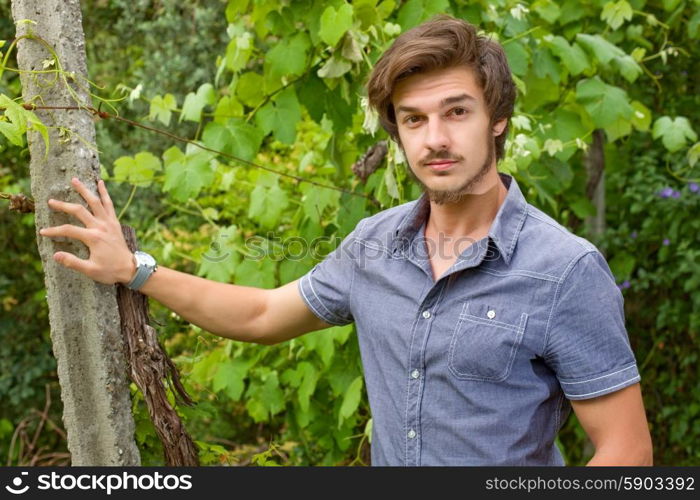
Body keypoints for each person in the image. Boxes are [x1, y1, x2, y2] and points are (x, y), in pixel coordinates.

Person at [39, 15, 652, 466]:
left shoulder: (565, 269)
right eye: (414, 119)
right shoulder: (373, 246)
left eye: (456, 112)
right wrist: (135, 269)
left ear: (497, 119)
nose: (434, 137)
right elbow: (261, 313)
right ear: (398, 133)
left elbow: (626, 451)